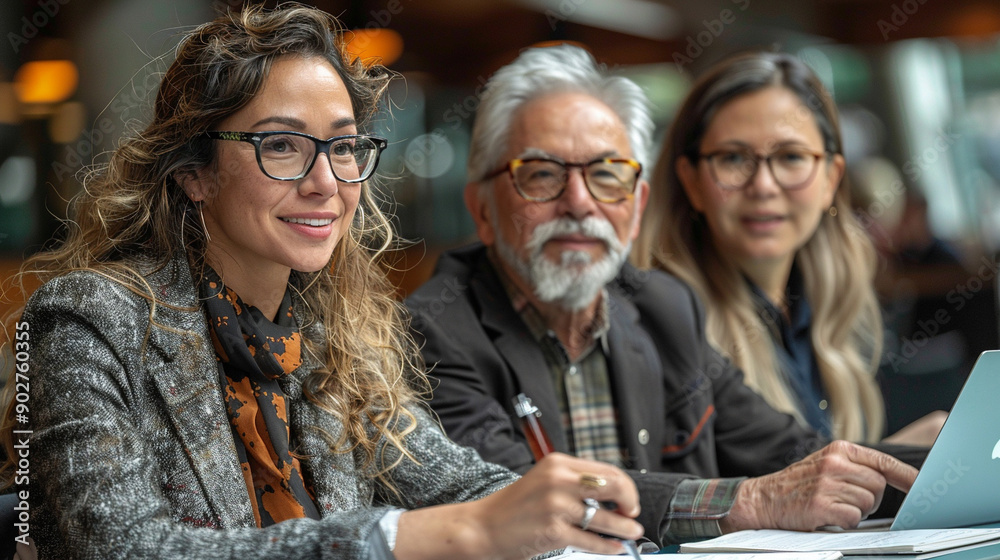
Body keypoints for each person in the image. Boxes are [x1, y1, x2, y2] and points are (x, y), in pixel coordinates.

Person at [0, 7, 647, 559]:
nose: (326, 183)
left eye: (342, 147)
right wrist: (407, 537)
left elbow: (466, 489)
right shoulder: (85, 321)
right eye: (281, 145)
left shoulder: (327, 333)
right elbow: (133, 551)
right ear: (193, 172)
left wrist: (548, 507)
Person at [405, 44, 921, 547]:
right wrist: (748, 502)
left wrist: (952, 468)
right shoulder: (433, 329)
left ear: (636, 204)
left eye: (607, 174)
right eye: (542, 174)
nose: (580, 202)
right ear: (482, 210)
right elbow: (516, 496)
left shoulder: (663, 307)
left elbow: (795, 457)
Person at [631, 52, 944, 446]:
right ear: (691, 181)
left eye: (791, 157)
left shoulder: (827, 306)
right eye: (733, 158)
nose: (763, 185)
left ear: (831, 178)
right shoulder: (659, 328)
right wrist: (895, 462)